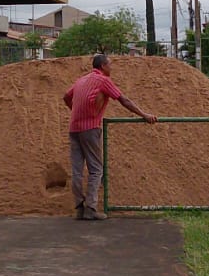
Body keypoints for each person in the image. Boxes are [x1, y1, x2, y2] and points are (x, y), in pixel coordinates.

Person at [62, 53, 156, 220]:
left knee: (77, 170)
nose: (111, 67)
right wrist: (144, 114)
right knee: (96, 169)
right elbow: (123, 100)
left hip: (74, 128)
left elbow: (66, 97)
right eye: (110, 64)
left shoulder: (81, 80)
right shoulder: (103, 80)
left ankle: (79, 208)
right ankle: (90, 208)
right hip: (90, 128)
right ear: (103, 66)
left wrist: (76, 111)